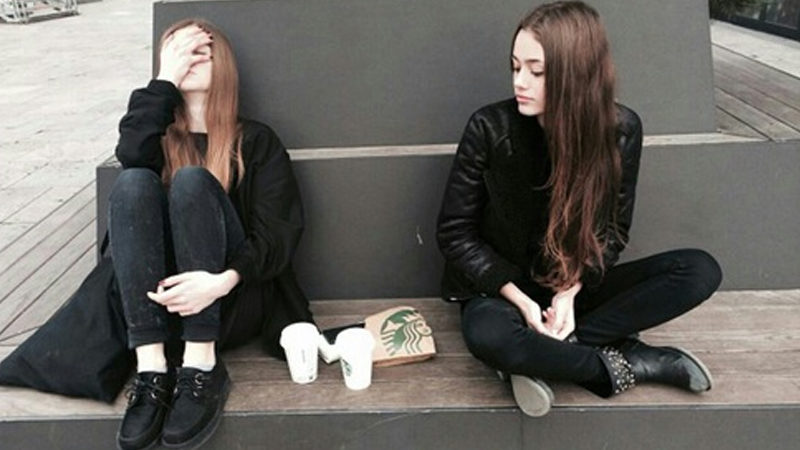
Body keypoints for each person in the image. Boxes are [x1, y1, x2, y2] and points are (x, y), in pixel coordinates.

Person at [436, 1, 722, 417]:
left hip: (571, 285)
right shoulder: (489, 127)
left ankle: (544, 354)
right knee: (491, 337)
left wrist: (569, 294)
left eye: (537, 71)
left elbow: (613, 232)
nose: (520, 82)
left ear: (576, 73)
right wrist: (522, 302)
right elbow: (455, 233)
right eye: (515, 67)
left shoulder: (621, 131)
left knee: (698, 270)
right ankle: (628, 364)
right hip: (501, 291)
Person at [110, 19, 311, 449]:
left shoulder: (256, 141)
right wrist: (165, 80)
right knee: (132, 180)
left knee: (191, 182)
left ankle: (201, 365)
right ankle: (151, 370)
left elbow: (277, 234)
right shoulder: (157, 139)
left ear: (225, 65)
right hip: (160, 307)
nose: (190, 59)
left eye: (201, 51)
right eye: (179, 52)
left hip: (229, 303)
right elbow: (130, 154)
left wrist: (221, 281)